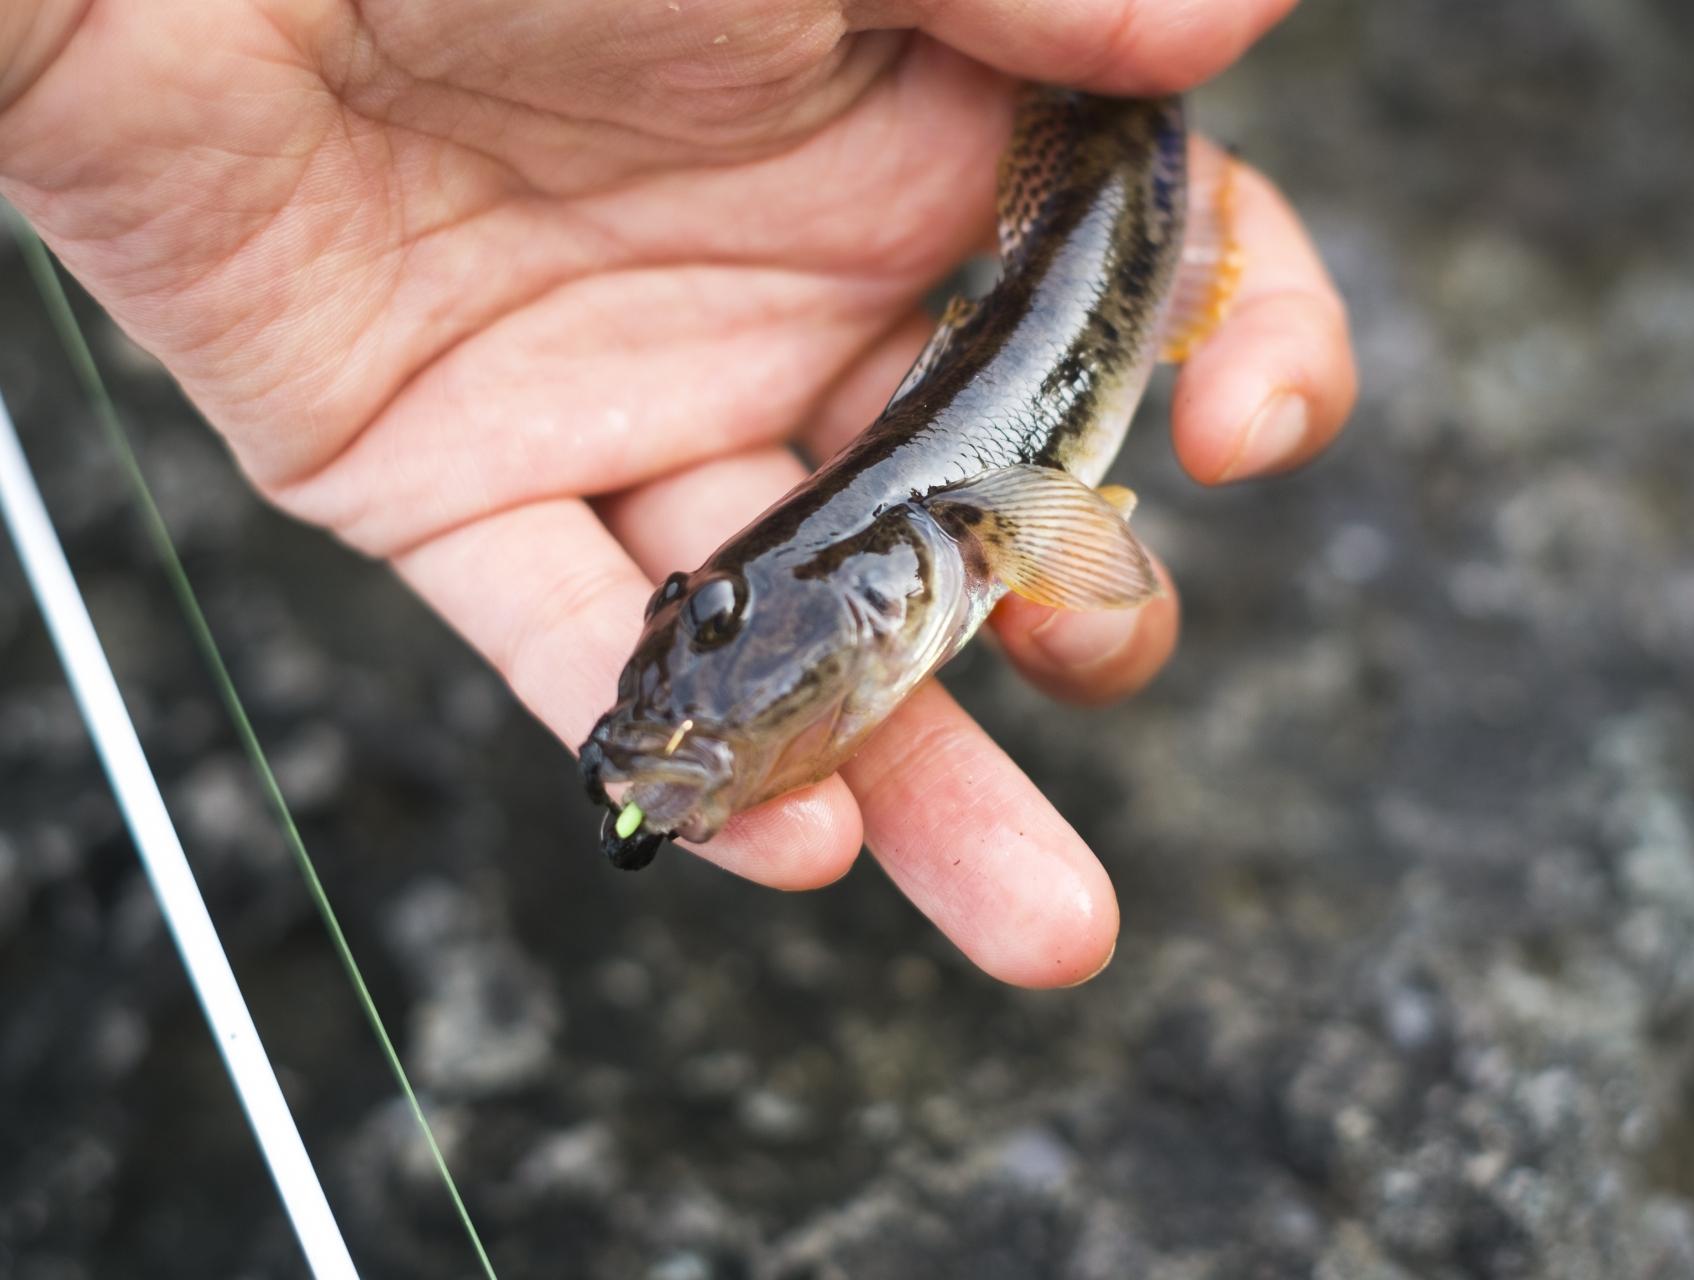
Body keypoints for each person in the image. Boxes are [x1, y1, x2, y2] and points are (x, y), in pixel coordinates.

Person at [0, 0, 1356, 988]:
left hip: (1093, 192)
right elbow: (1093, 567)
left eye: (707, 611)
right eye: (708, 613)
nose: (681, 708)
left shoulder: (973, 521)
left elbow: (1087, 560)